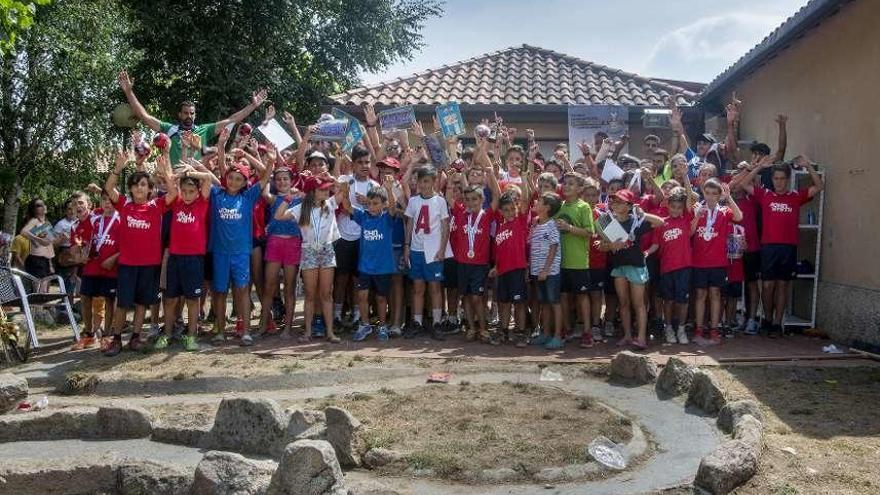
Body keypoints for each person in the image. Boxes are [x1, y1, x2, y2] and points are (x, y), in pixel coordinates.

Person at [733, 155, 823, 337]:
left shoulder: (795, 196)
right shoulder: (765, 194)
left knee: (782, 286)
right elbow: (744, 185)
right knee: (767, 286)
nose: (779, 182)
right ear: (772, 179)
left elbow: (819, 186)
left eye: (782, 179)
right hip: (768, 247)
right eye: (776, 178)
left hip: (788, 247)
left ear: (788, 180)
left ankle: (776, 324)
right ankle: (766, 320)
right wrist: (758, 167)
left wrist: (808, 166)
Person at [103, 150, 177, 356]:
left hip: (150, 264)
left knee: (142, 302)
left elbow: (173, 194)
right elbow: (108, 188)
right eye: (135, 184)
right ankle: (116, 339)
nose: (139, 187)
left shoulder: (156, 206)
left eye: (143, 184)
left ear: (150, 189)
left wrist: (165, 174)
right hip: (127, 264)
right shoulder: (124, 205)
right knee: (123, 303)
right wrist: (118, 168)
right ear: (130, 189)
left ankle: (135, 337)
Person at [117, 69, 267, 165]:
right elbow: (144, 116)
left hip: (194, 181)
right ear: (179, 114)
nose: (189, 116)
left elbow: (232, 120)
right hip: (172, 181)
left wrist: (252, 106)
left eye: (192, 113)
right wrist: (129, 92)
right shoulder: (169, 129)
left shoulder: (204, 130)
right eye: (186, 113)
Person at [208, 144, 269, 346]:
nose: (234, 182)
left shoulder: (248, 197)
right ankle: (220, 331)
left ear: (244, 182)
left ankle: (246, 332)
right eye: (231, 178)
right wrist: (222, 147)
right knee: (220, 292)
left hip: (241, 253)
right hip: (220, 252)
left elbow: (266, 175)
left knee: (242, 291)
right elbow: (209, 173)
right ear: (226, 179)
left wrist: (256, 157)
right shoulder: (216, 194)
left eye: (239, 179)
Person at [275, 175, 347, 343]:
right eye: (322, 189)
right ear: (313, 192)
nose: (326, 191)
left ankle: (330, 332)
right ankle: (307, 332)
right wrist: (288, 197)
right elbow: (279, 216)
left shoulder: (329, 203)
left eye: (326, 188)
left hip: (327, 250)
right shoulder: (300, 208)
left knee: (326, 294)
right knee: (310, 294)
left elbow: (343, 190)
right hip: (309, 251)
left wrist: (332, 180)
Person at [599, 189, 664, 350]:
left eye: (619, 201)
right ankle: (627, 335)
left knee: (639, 304)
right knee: (623, 303)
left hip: (636, 266)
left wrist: (642, 213)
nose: (614, 203)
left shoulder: (636, 220)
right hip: (619, 267)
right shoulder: (607, 221)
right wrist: (610, 246)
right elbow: (601, 246)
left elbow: (660, 222)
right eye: (613, 200)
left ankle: (641, 338)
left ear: (629, 205)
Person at [160, 164, 214, 351]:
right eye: (184, 191)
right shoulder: (176, 202)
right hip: (175, 257)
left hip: (194, 259)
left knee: (192, 300)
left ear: (198, 192)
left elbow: (207, 177)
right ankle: (166, 334)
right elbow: (169, 180)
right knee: (170, 299)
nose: (188, 194)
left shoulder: (203, 203)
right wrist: (177, 177)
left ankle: (191, 336)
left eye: (192, 191)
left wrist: (189, 173)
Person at [448, 143, 496, 342]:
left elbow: (498, 197)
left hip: (479, 264)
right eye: (468, 200)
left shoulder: (486, 216)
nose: (471, 203)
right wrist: (453, 178)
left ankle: (482, 327)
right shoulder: (460, 212)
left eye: (475, 200)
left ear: (481, 200)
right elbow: (451, 196)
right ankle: (470, 327)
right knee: (466, 297)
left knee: (477, 297)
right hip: (462, 262)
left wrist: (490, 174)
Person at [691, 179, 742, 345]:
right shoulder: (697, 209)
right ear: (703, 193)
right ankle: (699, 329)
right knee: (700, 295)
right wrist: (697, 217)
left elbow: (739, 216)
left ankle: (714, 330)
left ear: (719, 195)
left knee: (715, 295)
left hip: (718, 262)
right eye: (708, 193)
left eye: (715, 193)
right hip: (699, 261)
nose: (711, 197)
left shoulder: (724, 210)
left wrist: (729, 198)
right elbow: (690, 233)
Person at [351, 177, 400, 342]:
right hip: (365, 267)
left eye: (376, 204)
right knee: (362, 296)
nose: (372, 207)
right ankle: (364, 325)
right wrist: (344, 191)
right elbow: (346, 206)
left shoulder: (386, 218)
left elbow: (393, 209)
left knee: (381, 298)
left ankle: (382, 326)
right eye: (370, 203)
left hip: (383, 267)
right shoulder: (363, 216)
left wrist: (389, 189)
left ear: (383, 204)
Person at [403, 166, 449, 341]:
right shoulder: (414, 201)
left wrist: (442, 249)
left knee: (435, 287)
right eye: (421, 181)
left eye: (427, 181)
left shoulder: (440, 201)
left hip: (433, 250)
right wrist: (407, 246)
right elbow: (409, 224)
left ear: (433, 182)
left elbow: (445, 227)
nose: (424, 185)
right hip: (416, 249)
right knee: (418, 287)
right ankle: (417, 322)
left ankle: (437, 322)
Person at [334, 145, 378, 328]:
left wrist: (368, 203)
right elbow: (339, 204)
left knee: (358, 280)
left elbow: (378, 210)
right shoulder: (345, 180)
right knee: (341, 278)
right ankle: (336, 315)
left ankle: (357, 314)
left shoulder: (375, 186)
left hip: (365, 237)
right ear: (352, 164)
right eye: (360, 162)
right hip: (344, 236)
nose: (364, 165)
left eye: (367, 162)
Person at [260, 166, 303, 338]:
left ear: (291, 181)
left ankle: (288, 327)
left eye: (286, 178)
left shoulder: (299, 198)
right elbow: (263, 191)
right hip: (274, 242)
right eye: (278, 179)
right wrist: (268, 168)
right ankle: (264, 324)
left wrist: (300, 192)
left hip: (293, 243)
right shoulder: (272, 198)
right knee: (269, 286)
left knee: (289, 287)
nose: (282, 182)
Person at [74, 192, 120, 350]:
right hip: (92, 266)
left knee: (109, 300)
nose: (107, 203)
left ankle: (107, 335)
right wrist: (82, 253)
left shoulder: (121, 218)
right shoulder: (94, 218)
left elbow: (127, 244)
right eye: (104, 200)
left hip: (111, 267)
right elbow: (82, 237)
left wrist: (114, 258)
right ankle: (89, 334)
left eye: (110, 200)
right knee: (85, 298)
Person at [555, 173, 595, 347]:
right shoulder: (559, 206)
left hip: (579, 261)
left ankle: (587, 332)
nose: (566, 186)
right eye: (565, 183)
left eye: (571, 184)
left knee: (582, 297)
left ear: (580, 189)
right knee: (563, 296)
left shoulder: (584, 206)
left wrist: (569, 228)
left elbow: (589, 232)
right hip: (560, 262)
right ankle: (567, 328)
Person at [651, 187, 694, 345]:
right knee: (668, 300)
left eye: (679, 207)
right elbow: (655, 245)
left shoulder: (686, 219)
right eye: (673, 206)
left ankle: (681, 329)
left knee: (682, 300)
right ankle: (668, 328)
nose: (675, 210)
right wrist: (646, 253)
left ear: (683, 208)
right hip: (666, 268)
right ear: (667, 205)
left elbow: (689, 197)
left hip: (684, 267)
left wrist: (685, 177)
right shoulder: (661, 223)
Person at [529, 192, 563, 350]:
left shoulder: (552, 225)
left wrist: (546, 269)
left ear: (547, 207)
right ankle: (546, 333)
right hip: (537, 271)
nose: (536, 201)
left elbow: (553, 247)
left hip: (550, 272)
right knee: (544, 303)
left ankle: (558, 336)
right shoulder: (536, 223)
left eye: (540, 200)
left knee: (554, 302)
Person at [20, 198, 57, 280]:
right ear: (33, 209)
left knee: (44, 290)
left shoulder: (47, 223)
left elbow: (51, 244)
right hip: (36, 260)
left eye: (43, 204)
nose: (43, 206)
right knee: (39, 289)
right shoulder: (34, 220)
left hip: (46, 261)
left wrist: (50, 264)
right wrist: (38, 239)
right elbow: (23, 231)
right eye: (39, 205)